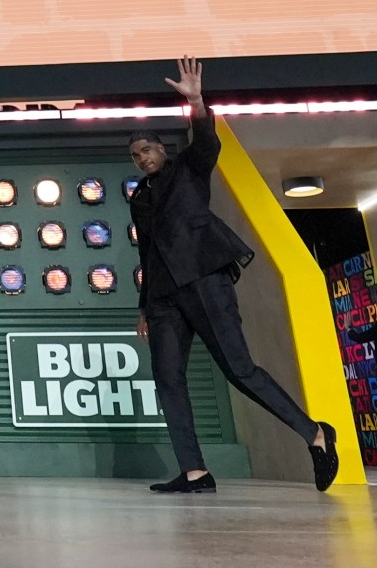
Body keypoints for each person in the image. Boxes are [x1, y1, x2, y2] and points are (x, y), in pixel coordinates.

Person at [128, 59, 339, 494]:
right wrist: (144, 307)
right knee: (167, 379)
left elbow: (206, 139)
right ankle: (195, 472)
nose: (142, 158)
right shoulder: (139, 199)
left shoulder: (189, 168)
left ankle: (316, 433)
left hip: (205, 281)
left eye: (147, 150)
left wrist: (196, 102)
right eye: (135, 155)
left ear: (163, 150)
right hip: (165, 298)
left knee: (239, 370)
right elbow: (146, 252)